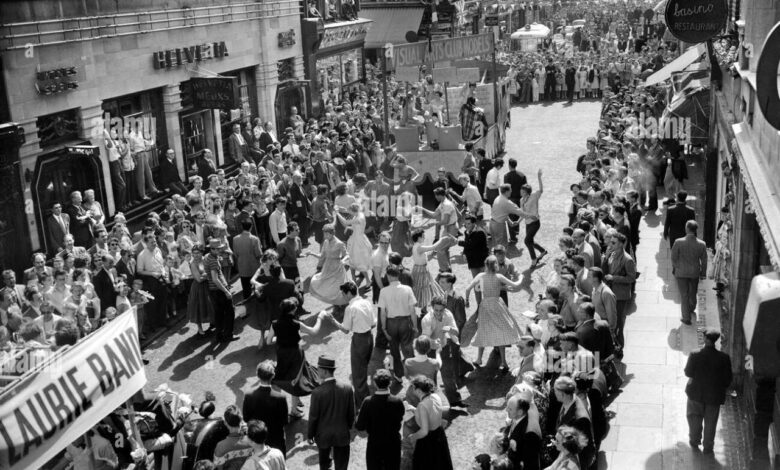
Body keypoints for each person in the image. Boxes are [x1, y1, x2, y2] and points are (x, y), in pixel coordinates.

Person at [464, 255, 524, 370]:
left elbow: (468, 289)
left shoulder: (480, 276)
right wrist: (521, 277)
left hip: (485, 305)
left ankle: (479, 359)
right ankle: (504, 362)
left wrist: (467, 301)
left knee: (483, 330)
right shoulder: (499, 276)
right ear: (496, 265)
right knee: (500, 331)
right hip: (497, 305)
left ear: (485, 265)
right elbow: (515, 285)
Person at [327, 281, 376, 406]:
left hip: (359, 341)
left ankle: (363, 403)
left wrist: (333, 321)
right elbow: (373, 323)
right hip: (370, 338)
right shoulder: (366, 302)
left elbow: (345, 330)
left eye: (343, 293)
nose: (343, 296)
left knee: (358, 373)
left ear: (349, 293)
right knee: (363, 368)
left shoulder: (350, 308)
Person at [273, 298, 323, 417]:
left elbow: (269, 340)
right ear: (292, 310)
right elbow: (313, 332)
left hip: (281, 352)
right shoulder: (296, 324)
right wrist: (320, 319)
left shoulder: (274, 323)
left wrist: (280, 337)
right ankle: (294, 410)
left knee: (280, 377)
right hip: (295, 353)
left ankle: (278, 408)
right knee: (296, 378)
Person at [684, 328, 732, 453]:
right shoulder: (724, 358)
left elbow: (688, 372)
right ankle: (708, 445)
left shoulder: (695, 354)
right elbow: (728, 380)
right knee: (711, 422)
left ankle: (694, 440)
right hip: (714, 396)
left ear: (705, 339)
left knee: (694, 417)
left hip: (695, 393)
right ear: (716, 340)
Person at [307, 354, 356, 470]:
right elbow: (351, 414)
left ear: (324, 371)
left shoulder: (317, 392)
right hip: (342, 434)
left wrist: (310, 435)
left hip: (323, 436)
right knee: (342, 466)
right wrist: (346, 427)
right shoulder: (347, 388)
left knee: (324, 466)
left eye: (318, 369)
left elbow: (313, 417)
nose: (317, 371)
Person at [355, 369, 405, 470]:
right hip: (393, 443)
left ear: (374, 384)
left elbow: (360, 426)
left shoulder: (368, 402)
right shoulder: (398, 401)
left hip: (375, 444)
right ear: (390, 383)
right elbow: (401, 417)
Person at [378, 264, 418, 381]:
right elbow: (412, 310)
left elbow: (383, 313)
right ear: (398, 275)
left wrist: (384, 329)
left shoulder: (384, 291)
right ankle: (413, 375)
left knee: (394, 350)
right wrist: (415, 326)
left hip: (391, 323)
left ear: (389, 276)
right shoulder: (407, 289)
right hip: (405, 322)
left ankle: (398, 375)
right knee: (408, 349)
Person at [242, 360, 289, 455]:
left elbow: (246, 418)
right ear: (273, 376)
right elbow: (284, 421)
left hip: (256, 439)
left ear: (257, 375)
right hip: (276, 439)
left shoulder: (248, 395)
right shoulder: (281, 397)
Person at [407, 375, 454, 470]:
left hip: (428, 440)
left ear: (419, 391)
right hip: (439, 434)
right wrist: (414, 409)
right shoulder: (435, 396)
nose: (412, 390)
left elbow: (424, 431)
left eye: (413, 388)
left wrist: (413, 437)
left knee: (426, 464)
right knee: (440, 463)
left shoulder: (422, 405)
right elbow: (431, 411)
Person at [601, 232, 635, 347]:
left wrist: (614, 278)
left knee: (619, 321)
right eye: (610, 241)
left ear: (621, 244)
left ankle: (619, 345)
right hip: (610, 291)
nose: (610, 244)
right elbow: (605, 270)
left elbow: (631, 278)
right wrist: (605, 258)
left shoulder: (627, 259)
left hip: (620, 295)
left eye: (613, 242)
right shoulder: (612, 254)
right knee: (611, 319)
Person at [671, 220, 707, 326]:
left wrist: (677, 267)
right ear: (696, 230)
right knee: (693, 292)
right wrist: (703, 273)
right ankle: (691, 308)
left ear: (687, 229)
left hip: (681, 273)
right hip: (694, 272)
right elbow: (704, 260)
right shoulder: (702, 244)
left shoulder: (678, 242)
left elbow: (673, 257)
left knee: (684, 295)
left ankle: (686, 318)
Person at [308, 224, 349, 306]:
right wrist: (311, 253)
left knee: (337, 288)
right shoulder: (326, 242)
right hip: (327, 267)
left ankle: (343, 305)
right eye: (324, 233)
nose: (325, 236)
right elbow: (322, 256)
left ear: (332, 233)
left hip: (337, 268)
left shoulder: (339, 243)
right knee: (325, 285)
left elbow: (347, 255)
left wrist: (343, 260)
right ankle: (337, 304)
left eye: (327, 234)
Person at [204, 238, 237, 343]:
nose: (220, 251)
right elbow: (215, 278)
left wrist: (219, 258)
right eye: (218, 249)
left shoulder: (208, 257)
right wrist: (226, 291)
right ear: (213, 249)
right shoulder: (213, 261)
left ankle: (219, 336)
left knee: (218, 314)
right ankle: (228, 335)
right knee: (229, 312)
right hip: (219, 290)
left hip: (213, 291)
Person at [335, 202, 373, 288]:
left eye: (350, 211)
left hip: (358, 242)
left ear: (353, 210)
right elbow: (356, 226)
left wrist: (337, 213)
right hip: (355, 239)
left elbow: (345, 222)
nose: (349, 213)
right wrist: (349, 228)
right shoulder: (358, 214)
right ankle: (354, 279)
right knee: (351, 260)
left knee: (360, 262)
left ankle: (368, 280)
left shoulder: (359, 218)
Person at [503, 394, 542, 470]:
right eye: (507, 406)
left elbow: (530, 465)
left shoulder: (530, 434)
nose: (506, 410)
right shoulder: (523, 412)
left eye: (510, 409)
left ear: (520, 412)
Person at [232, 220, 262, 300]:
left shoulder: (235, 239)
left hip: (242, 268)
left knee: (246, 289)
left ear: (242, 227)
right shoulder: (255, 239)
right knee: (257, 288)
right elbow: (259, 254)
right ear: (251, 227)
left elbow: (235, 254)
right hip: (254, 268)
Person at [490, 184, 525, 249]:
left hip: (492, 223)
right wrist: (522, 205)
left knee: (495, 246)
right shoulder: (507, 202)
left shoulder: (498, 197)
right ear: (506, 192)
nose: (511, 191)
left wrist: (510, 222)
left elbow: (503, 212)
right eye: (510, 190)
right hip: (499, 226)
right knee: (501, 248)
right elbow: (521, 213)